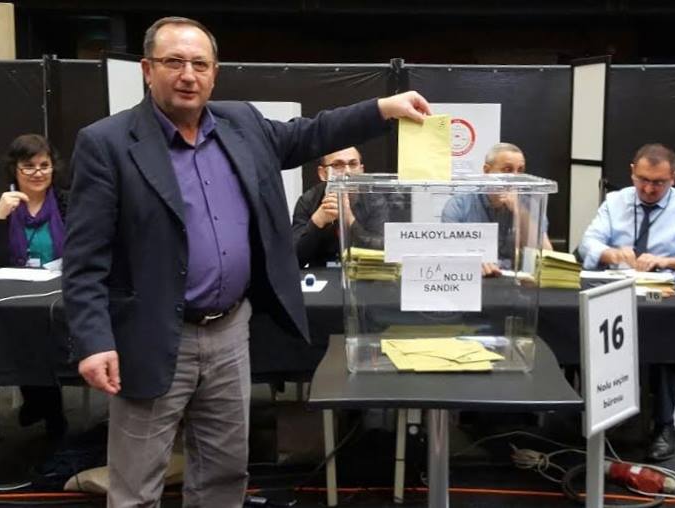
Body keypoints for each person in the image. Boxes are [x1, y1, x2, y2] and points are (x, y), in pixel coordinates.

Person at [61, 16, 430, 507]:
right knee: (136, 487)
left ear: (214, 74)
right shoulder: (107, 143)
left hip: (230, 331)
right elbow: (84, 258)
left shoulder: (243, 125)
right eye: (173, 62)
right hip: (150, 335)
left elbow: (313, 133)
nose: (188, 75)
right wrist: (94, 341)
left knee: (223, 475)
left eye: (200, 64)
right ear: (147, 70)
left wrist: (383, 108)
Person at [578, 143, 675, 462]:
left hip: (666, 293)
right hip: (616, 289)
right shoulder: (615, 202)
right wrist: (609, 253)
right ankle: (601, 412)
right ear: (632, 171)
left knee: (668, 338)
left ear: (674, 178)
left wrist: (668, 261)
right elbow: (587, 243)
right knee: (585, 326)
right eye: (642, 179)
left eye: (658, 183)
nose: (648, 189)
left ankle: (664, 424)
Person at [0, 133, 68, 438]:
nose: (37, 173)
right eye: (28, 166)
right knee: (21, 328)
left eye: (44, 165)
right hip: (16, 294)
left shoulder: (67, 202)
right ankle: (48, 407)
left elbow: (85, 247)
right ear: (14, 169)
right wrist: (0, 218)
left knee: (44, 328)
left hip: (60, 292)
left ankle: (41, 404)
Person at [442, 143, 553, 276]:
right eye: (507, 170)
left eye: (520, 170)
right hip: (476, 278)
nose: (515, 178)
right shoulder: (459, 205)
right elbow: (448, 254)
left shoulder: (530, 205)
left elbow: (546, 256)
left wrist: (520, 211)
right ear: (487, 171)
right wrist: (471, 261)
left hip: (517, 281)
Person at [291, 146, 365, 267]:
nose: (347, 172)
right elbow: (293, 259)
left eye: (353, 164)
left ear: (361, 170)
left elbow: (383, 250)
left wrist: (349, 219)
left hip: (363, 273)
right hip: (320, 274)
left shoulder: (376, 200)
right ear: (323, 173)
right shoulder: (308, 200)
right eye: (337, 165)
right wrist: (317, 221)